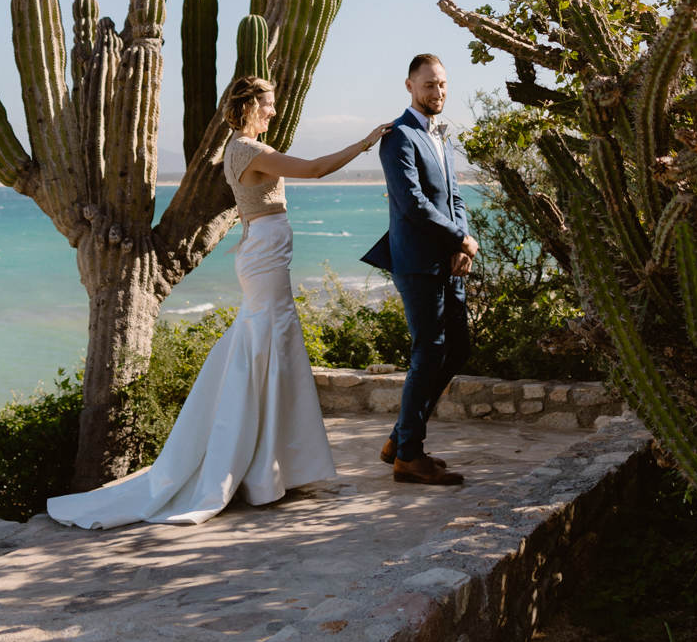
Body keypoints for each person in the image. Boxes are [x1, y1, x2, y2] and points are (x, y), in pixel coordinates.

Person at [45, 74, 389, 529]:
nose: (273, 112)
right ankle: (255, 467)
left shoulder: (242, 148)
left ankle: (275, 466)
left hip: (264, 252)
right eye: (267, 104)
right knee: (267, 344)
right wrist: (366, 142)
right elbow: (316, 169)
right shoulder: (249, 150)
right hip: (265, 256)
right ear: (248, 106)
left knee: (271, 346)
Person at [359, 54, 477, 486]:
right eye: (429, 85)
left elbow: (454, 199)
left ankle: (400, 438)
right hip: (416, 262)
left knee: (458, 348)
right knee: (428, 351)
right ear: (409, 85)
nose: (438, 92)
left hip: (449, 261)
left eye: (442, 84)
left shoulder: (440, 135)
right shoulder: (400, 137)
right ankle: (409, 455)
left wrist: (461, 244)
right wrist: (457, 239)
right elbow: (412, 204)